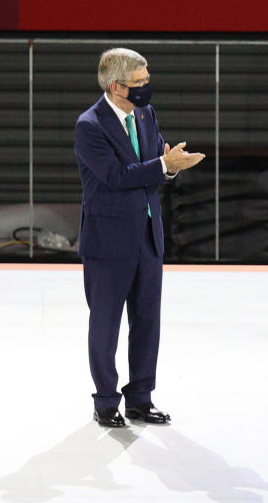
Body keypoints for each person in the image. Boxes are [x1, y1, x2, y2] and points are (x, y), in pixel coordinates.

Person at [74, 47, 205, 428]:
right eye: (139, 83)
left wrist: (168, 169)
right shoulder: (90, 125)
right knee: (106, 323)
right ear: (116, 87)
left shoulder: (145, 114)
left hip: (148, 235)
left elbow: (151, 168)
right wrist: (163, 165)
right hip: (108, 242)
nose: (147, 88)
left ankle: (140, 399)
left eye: (147, 80)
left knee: (147, 320)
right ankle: (105, 402)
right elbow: (117, 177)